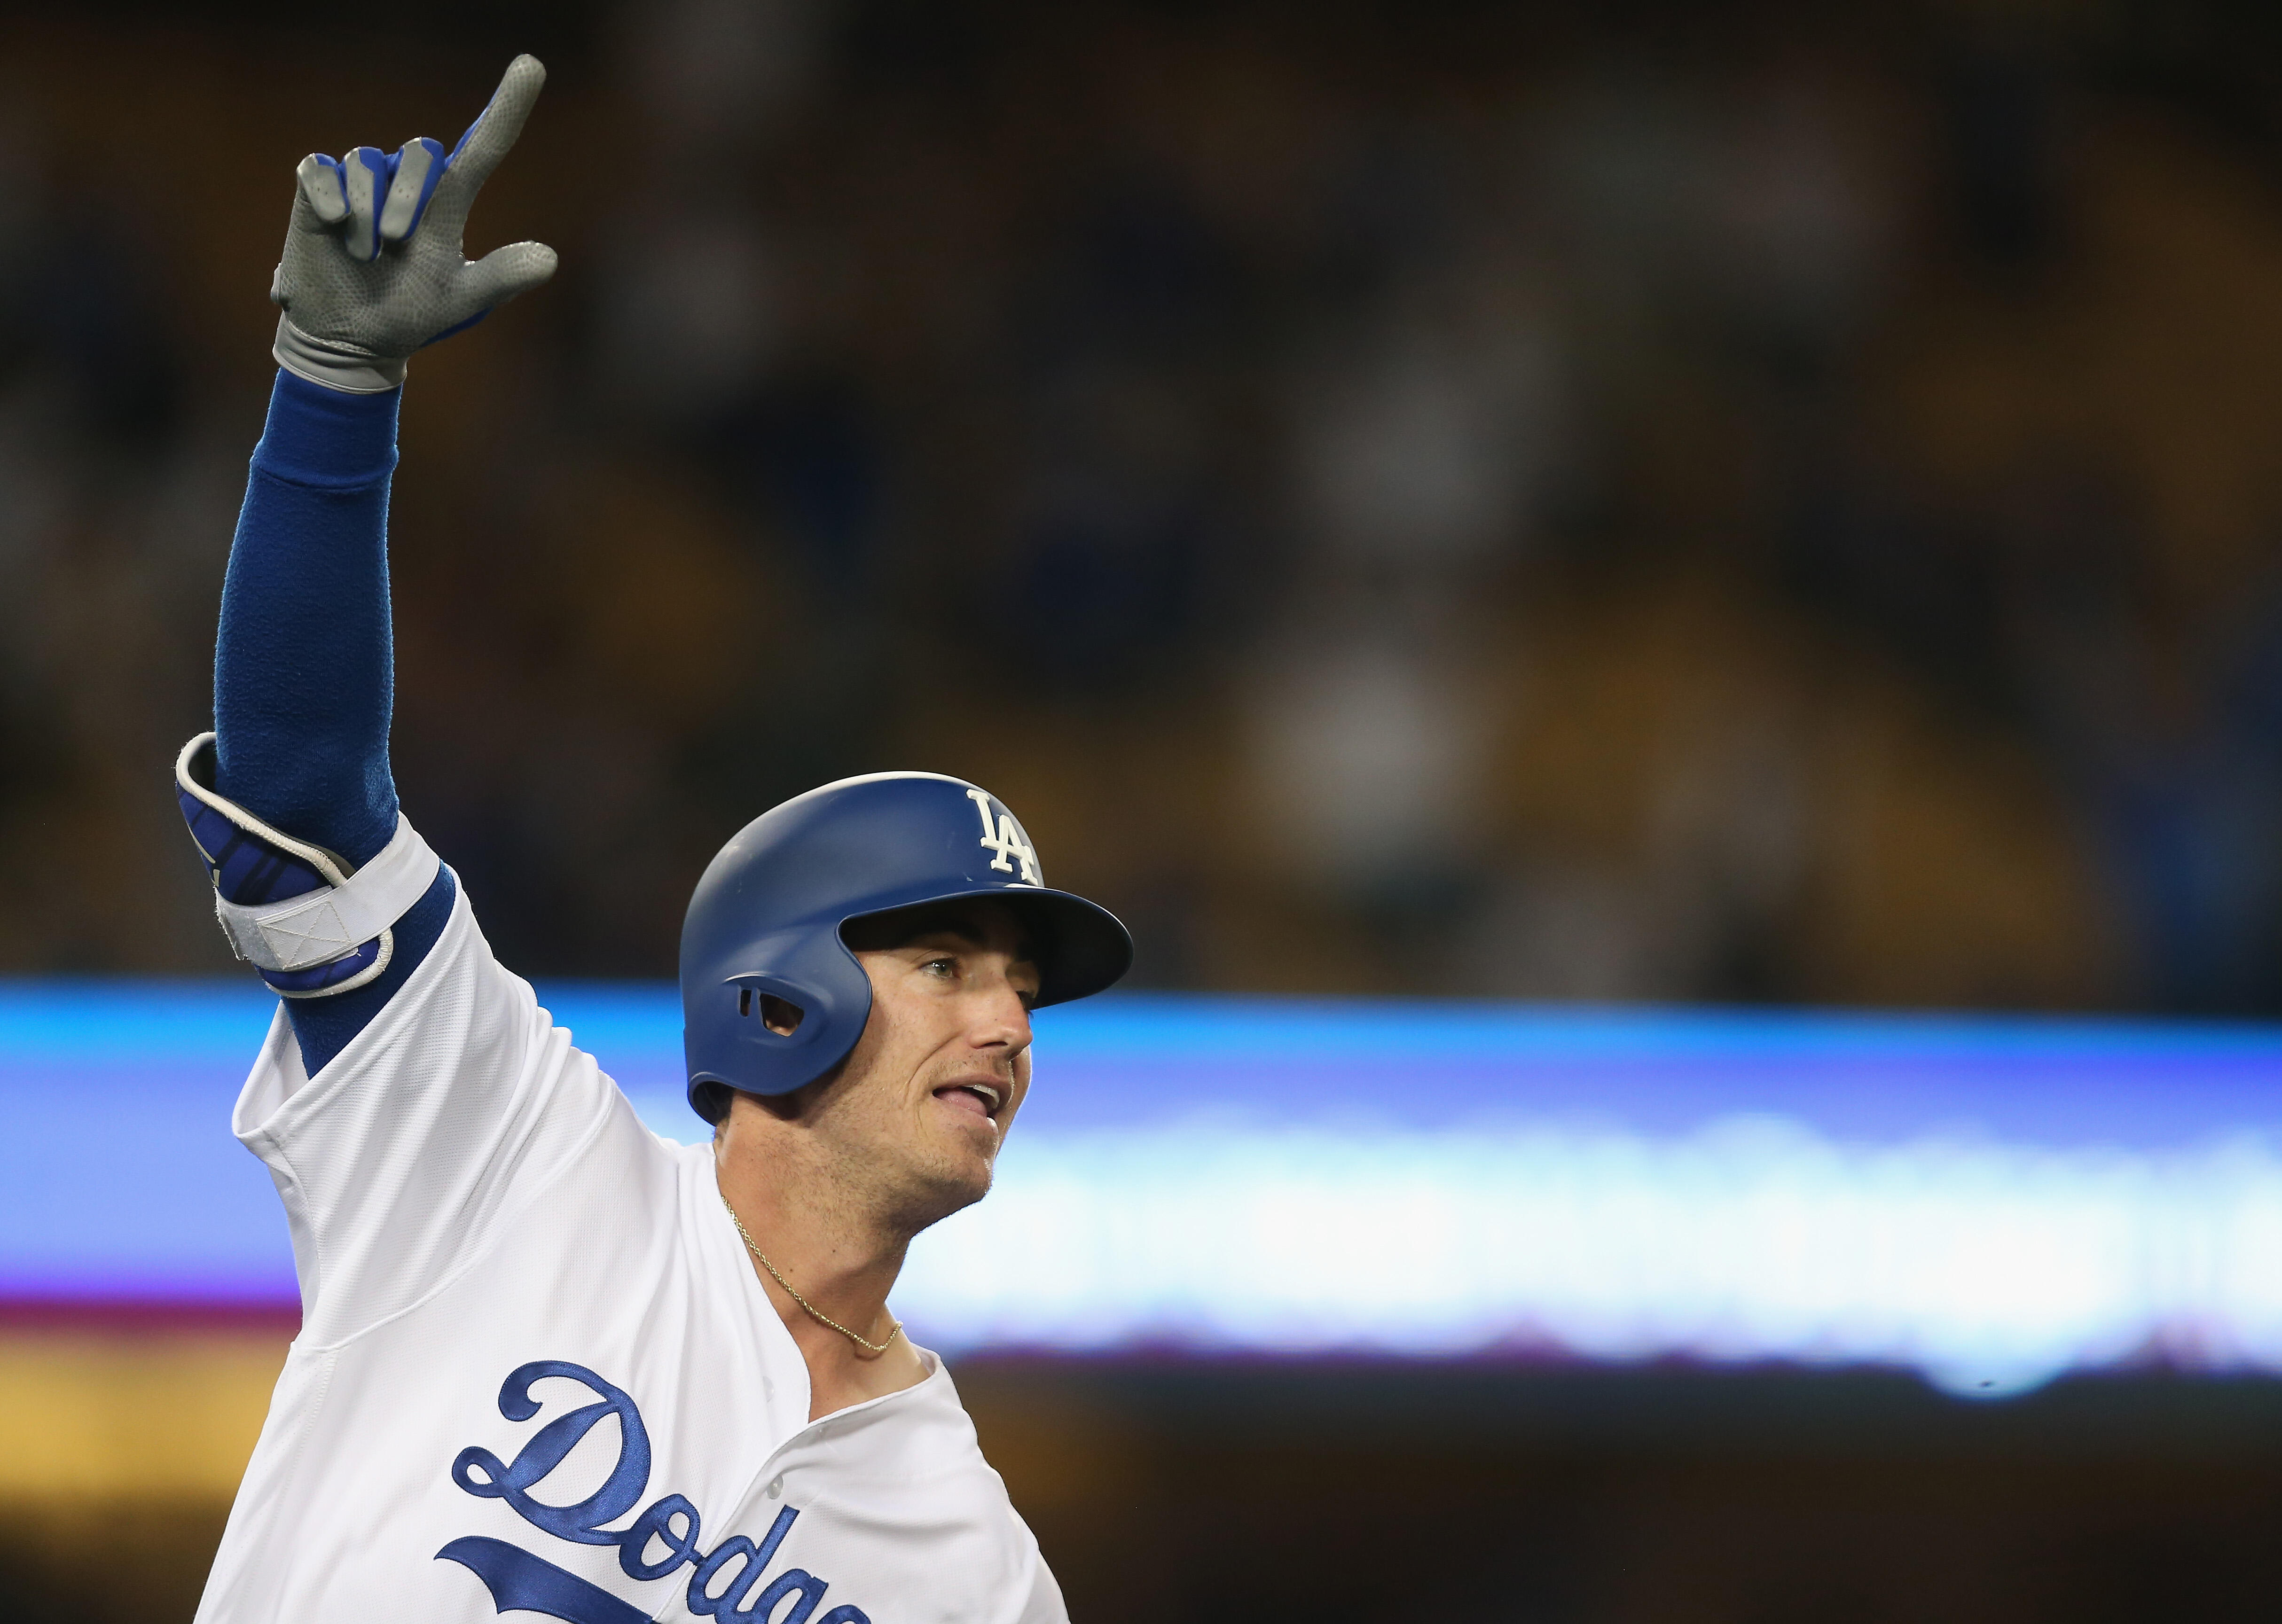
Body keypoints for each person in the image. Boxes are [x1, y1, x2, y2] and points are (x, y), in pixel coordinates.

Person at [173, 56, 1131, 1624]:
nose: (1008, 1023)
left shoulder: (974, 1570)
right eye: (948, 960)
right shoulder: (511, 1160)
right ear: (776, 992)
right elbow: (296, 812)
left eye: (1024, 985)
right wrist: (332, 385)